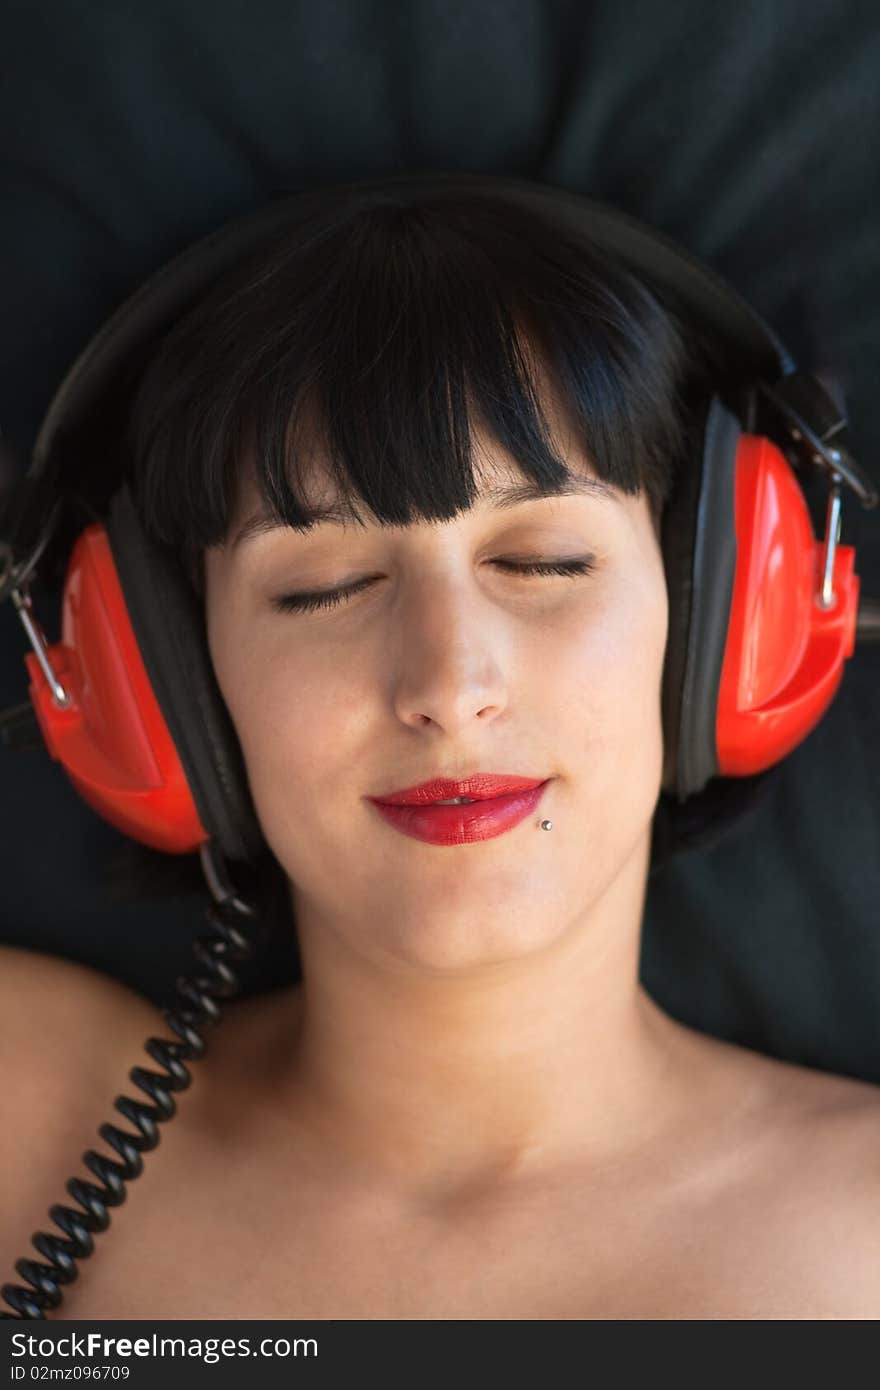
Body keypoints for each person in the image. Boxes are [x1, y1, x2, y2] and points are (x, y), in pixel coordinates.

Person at [3, 186, 880, 1320]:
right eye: (324, 585)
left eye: (546, 562)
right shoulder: (30, 1120)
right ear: (160, 678)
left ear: (726, 625)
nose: (448, 688)